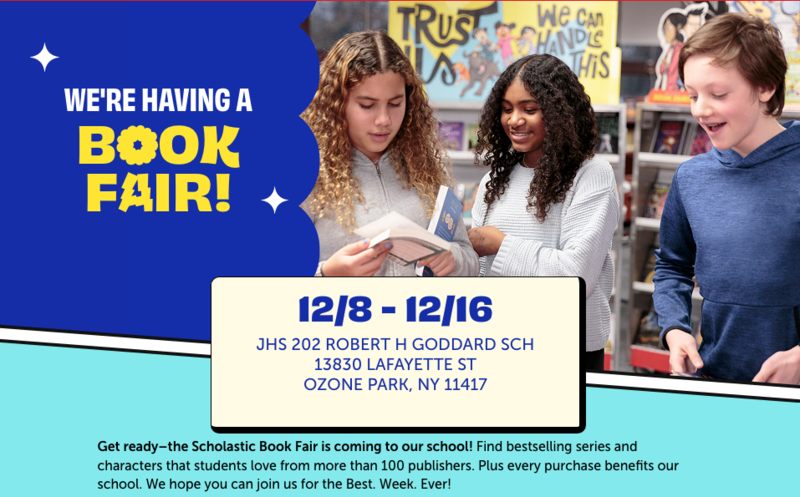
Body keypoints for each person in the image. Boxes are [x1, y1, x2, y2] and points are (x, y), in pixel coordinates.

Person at [653, 13, 800, 384]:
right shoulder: (691, 178)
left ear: (765, 86)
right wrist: (674, 329)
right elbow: (672, 266)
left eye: (718, 94)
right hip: (715, 382)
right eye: (692, 95)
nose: (700, 109)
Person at [468, 54, 619, 371]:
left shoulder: (591, 175)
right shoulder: (494, 179)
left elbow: (576, 277)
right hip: (500, 344)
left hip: (566, 349)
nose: (514, 120)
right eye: (507, 109)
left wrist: (499, 244)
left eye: (530, 109)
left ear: (559, 111)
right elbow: (480, 275)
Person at [302, 31, 479, 277]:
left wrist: (454, 259)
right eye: (367, 105)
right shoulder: (304, 174)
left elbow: (468, 257)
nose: (384, 120)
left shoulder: (425, 168)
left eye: (396, 103)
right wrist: (326, 274)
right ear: (337, 103)